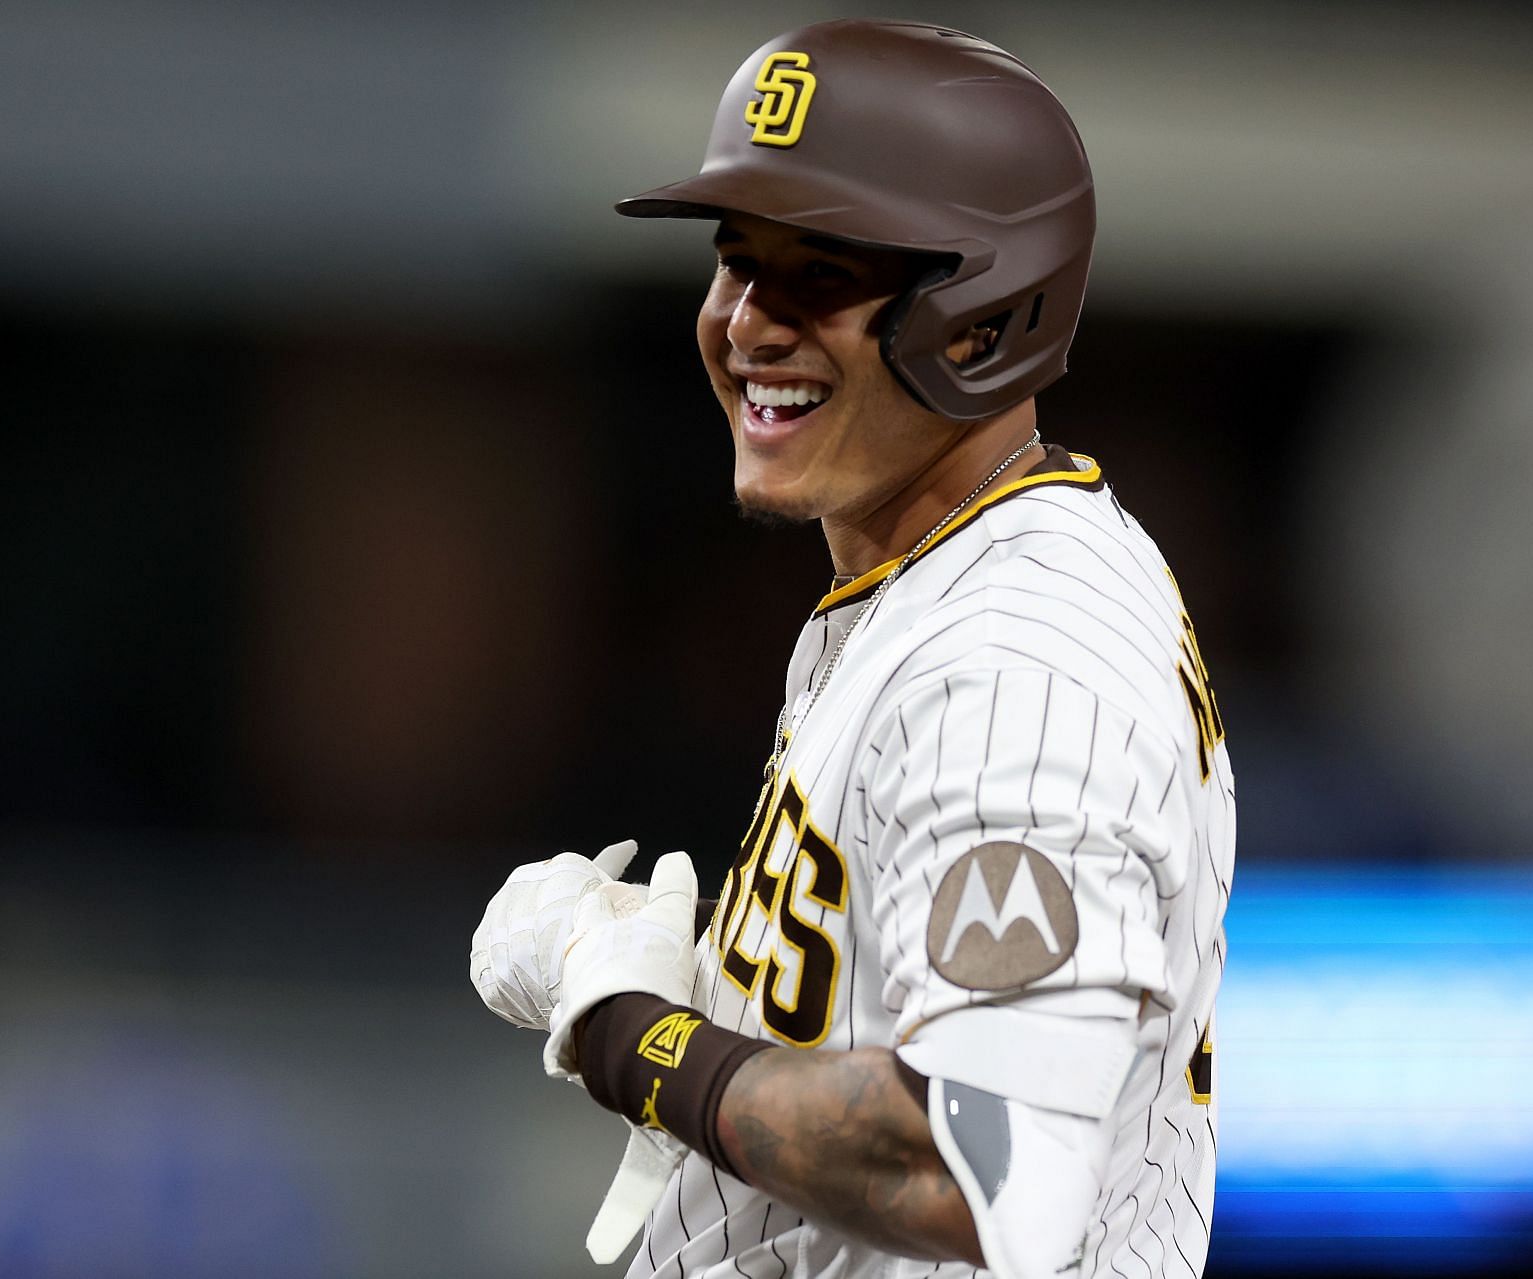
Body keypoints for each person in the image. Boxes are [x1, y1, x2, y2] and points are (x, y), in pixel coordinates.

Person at [471, 19, 1234, 1278]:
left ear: (985, 314)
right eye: (737, 266)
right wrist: (690, 975)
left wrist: (632, 1036)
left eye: (819, 275)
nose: (746, 326)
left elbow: (981, 1169)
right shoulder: (936, 585)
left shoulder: (1020, 663)